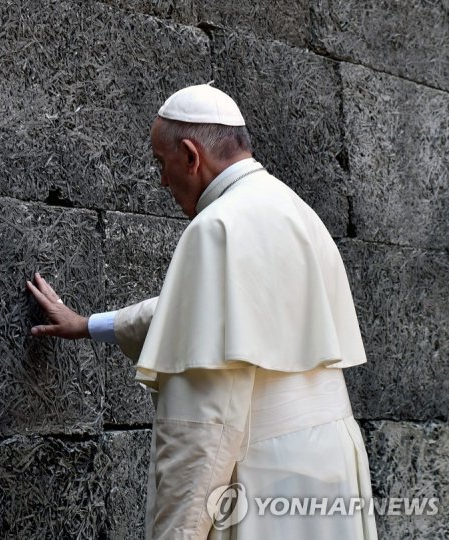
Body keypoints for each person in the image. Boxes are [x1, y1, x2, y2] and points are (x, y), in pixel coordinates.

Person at [26, 84, 377, 539]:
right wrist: (88, 325)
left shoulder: (217, 226)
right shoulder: (295, 211)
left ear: (191, 156)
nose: (162, 182)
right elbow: (203, 315)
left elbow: (204, 423)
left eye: (161, 163)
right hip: (332, 467)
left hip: (265, 478)